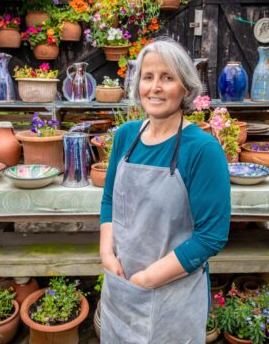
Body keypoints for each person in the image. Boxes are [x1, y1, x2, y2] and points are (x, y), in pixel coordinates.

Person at [99, 37, 231, 343]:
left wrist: (147, 279)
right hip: (121, 286)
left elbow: (211, 236)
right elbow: (109, 201)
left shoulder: (202, 150)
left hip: (173, 295)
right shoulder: (125, 136)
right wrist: (107, 253)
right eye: (148, 77)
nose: (155, 87)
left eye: (167, 77)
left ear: (185, 88)